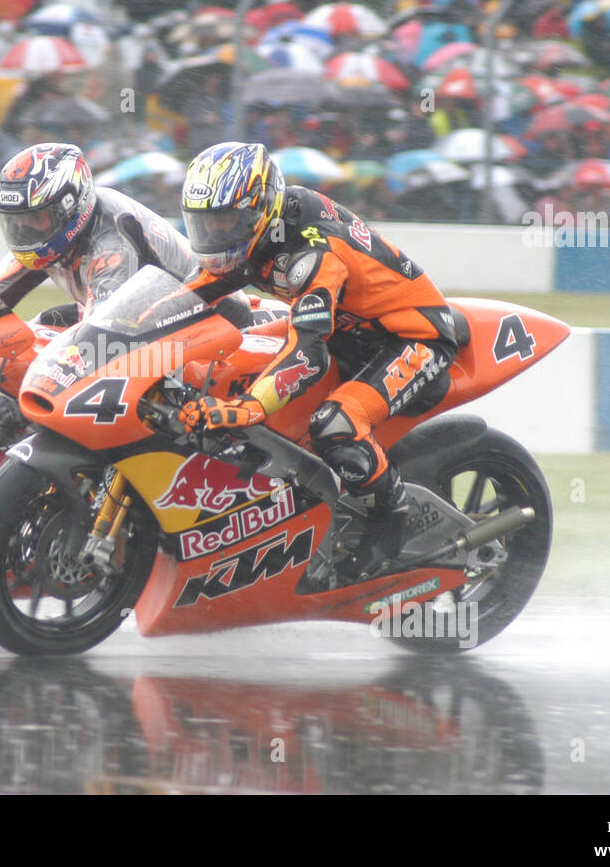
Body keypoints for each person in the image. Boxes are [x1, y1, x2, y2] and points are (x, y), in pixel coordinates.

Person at [174, 141, 460, 581]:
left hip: (410, 335)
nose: (214, 235)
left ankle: (391, 518)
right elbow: (186, 299)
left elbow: (307, 352)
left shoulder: (313, 253)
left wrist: (249, 407)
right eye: (204, 224)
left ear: (258, 211)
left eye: (225, 221)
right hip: (353, 330)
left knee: (335, 424)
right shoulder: (257, 236)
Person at [0, 142, 250, 327]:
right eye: (16, 222)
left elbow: (99, 339)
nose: (24, 231)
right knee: (41, 325)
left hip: (213, 320)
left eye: (35, 219)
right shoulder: (49, 239)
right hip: (145, 321)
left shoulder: (109, 240)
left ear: (67, 207)